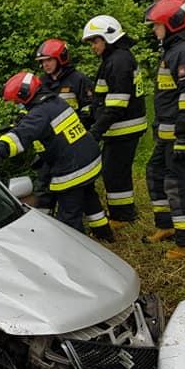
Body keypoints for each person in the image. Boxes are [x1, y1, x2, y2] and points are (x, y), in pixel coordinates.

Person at [0, 71, 113, 240]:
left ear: (25, 95)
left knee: (68, 218)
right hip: (89, 157)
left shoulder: (38, 115)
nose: (17, 105)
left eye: (18, 102)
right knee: (88, 196)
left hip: (73, 169)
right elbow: (40, 123)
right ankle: (104, 234)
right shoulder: (56, 101)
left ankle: (76, 250)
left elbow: (14, 142)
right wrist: (18, 124)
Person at [143, 0, 185, 259]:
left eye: (157, 25)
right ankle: (167, 226)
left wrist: (183, 136)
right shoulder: (173, 50)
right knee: (156, 172)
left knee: (181, 184)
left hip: (181, 135)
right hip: (168, 133)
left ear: (173, 24)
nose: (154, 30)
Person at [80, 15, 147, 226]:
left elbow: (116, 105)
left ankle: (123, 216)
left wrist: (95, 132)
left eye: (95, 41)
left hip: (123, 128)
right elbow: (103, 99)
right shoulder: (116, 59)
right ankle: (123, 213)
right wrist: (89, 114)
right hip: (121, 128)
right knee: (115, 171)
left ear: (108, 37)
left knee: (114, 172)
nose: (93, 47)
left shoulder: (118, 61)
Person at [32, 39, 95, 215]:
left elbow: (91, 108)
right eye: (43, 61)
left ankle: (96, 226)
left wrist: (82, 121)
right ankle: (44, 222)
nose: (46, 64)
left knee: (83, 188)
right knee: (44, 186)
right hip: (50, 146)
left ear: (61, 59)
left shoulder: (78, 80)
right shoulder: (40, 84)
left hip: (74, 144)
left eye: (49, 60)